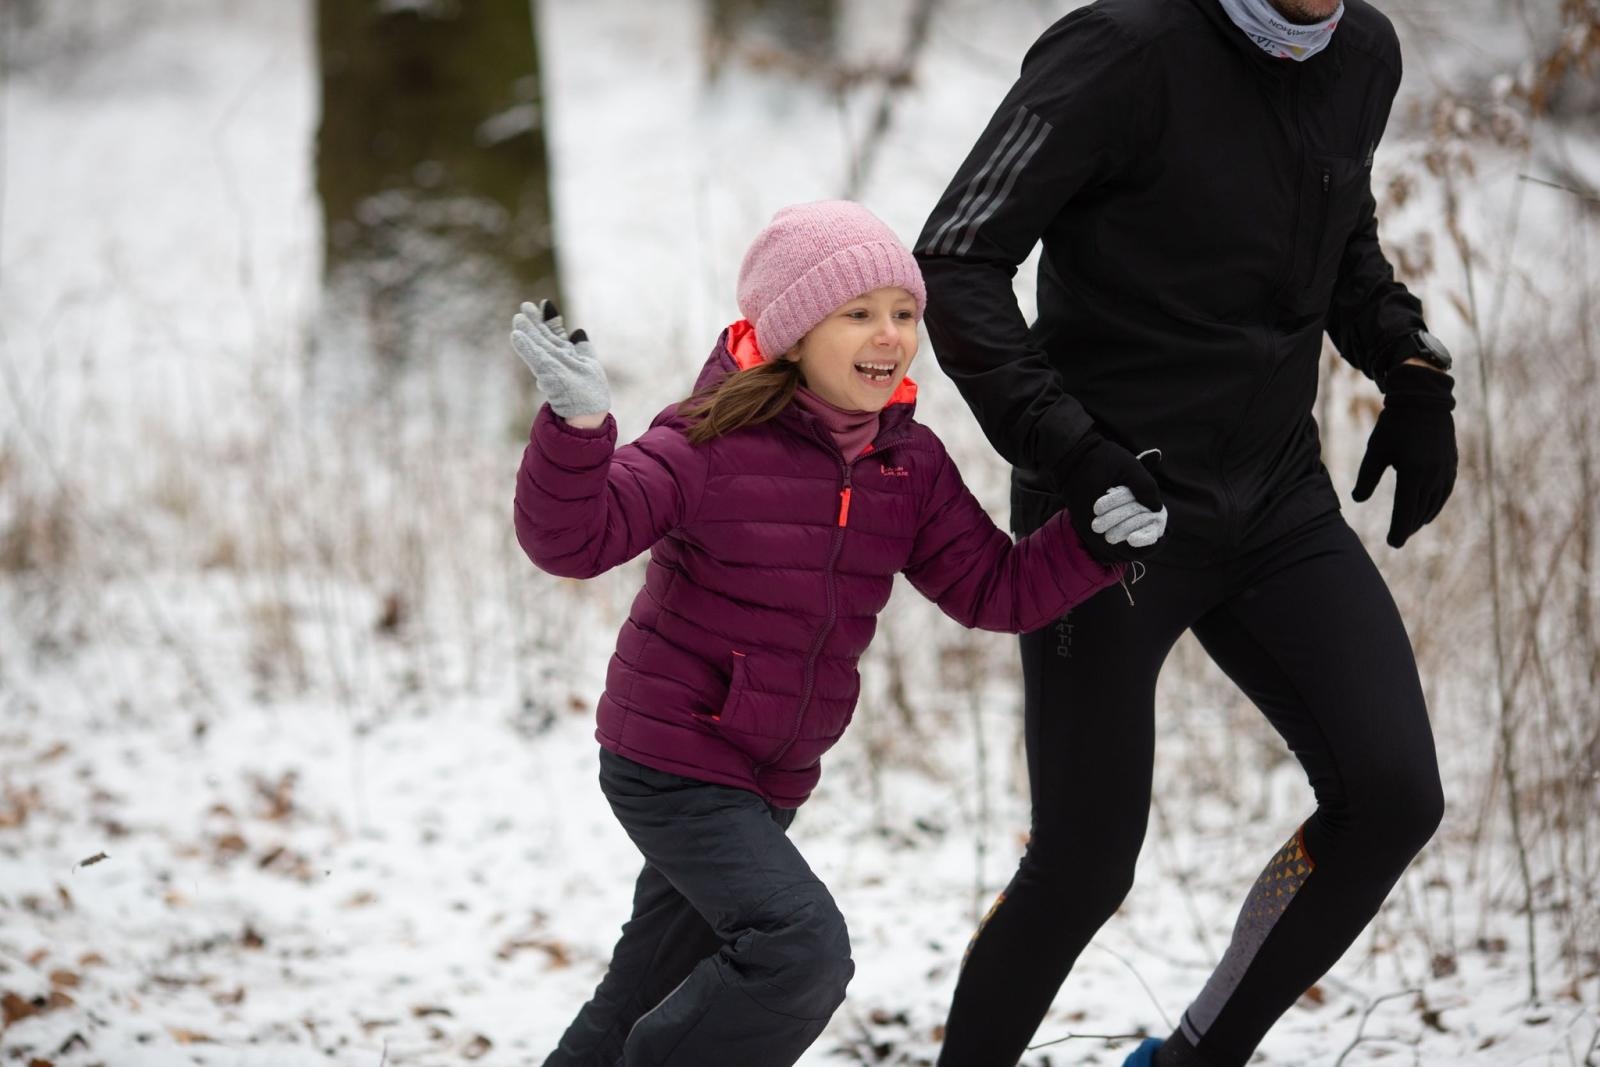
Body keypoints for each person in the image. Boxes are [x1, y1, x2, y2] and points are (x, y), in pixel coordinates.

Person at [913, 0, 1457, 1064]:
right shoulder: (1120, 51)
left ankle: (1191, 1058)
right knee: (1082, 864)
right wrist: (1069, 448)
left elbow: (1338, 241)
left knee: (1392, 795)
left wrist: (1408, 366)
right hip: (1111, 507)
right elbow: (958, 259)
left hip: (1274, 496)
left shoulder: (1361, 54)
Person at [511, 201, 1130, 1067]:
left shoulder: (908, 465)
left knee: (647, 987)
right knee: (800, 950)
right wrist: (578, 434)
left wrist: (1092, 540)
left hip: (773, 776)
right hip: (674, 757)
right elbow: (573, 540)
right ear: (795, 332)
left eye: (904, 314)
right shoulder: (709, 439)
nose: (890, 335)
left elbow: (995, 588)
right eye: (859, 313)